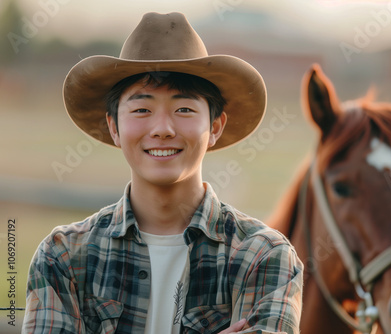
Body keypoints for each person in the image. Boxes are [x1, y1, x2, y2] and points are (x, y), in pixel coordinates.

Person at [22, 12, 303, 334]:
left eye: (184, 109)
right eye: (142, 109)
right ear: (114, 127)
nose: (163, 129)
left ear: (214, 127)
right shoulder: (64, 256)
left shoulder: (262, 256)